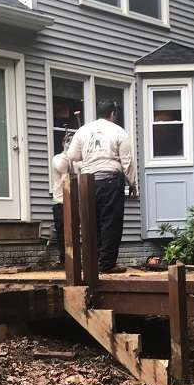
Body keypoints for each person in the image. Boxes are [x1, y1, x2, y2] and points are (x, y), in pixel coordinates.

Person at [62, 99, 137, 273]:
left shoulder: (83, 130)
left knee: (90, 222)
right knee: (110, 223)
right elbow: (127, 161)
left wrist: (89, 156)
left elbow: (72, 155)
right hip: (110, 181)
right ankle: (107, 265)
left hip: (87, 182)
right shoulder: (119, 131)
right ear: (113, 113)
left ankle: (91, 263)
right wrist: (132, 183)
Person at [50, 151, 73, 265]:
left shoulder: (78, 160)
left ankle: (74, 259)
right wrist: (69, 154)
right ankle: (64, 259)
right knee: (61, 231)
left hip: (75, 201)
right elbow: (62, 168)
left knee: (73, 231)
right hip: (59, 200)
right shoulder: (58, 158)